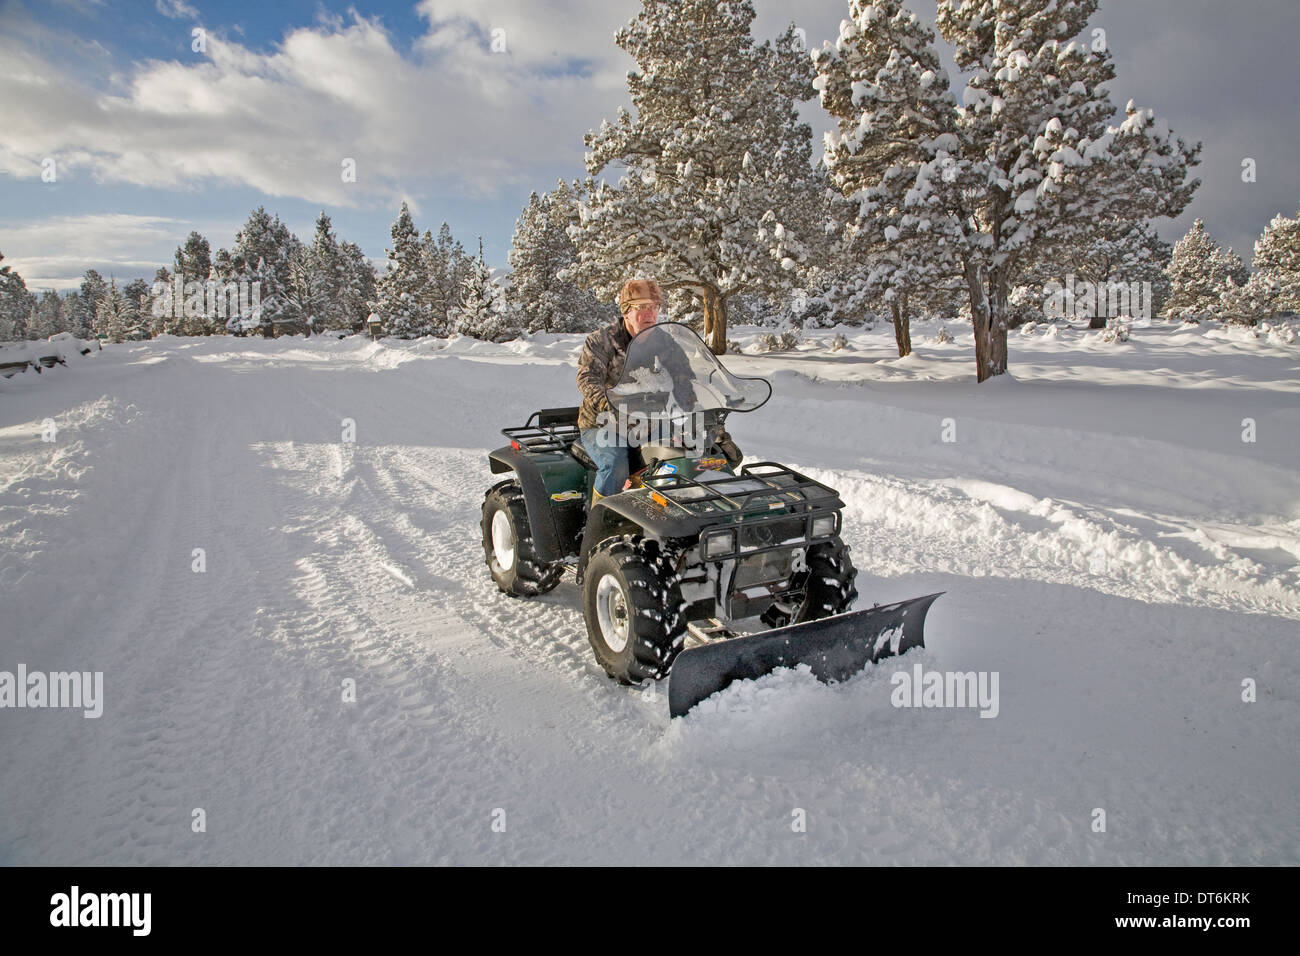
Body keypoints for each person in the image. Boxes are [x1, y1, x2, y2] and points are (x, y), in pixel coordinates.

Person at [577, 278, 663, 499]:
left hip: (649, 423)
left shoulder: (666, 344)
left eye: (654, 307)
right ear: (626, 312)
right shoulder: (601, 341)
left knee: (690, 455)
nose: (649, 314)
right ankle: (599, 526)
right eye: (641, 307)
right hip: (603, 423)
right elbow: (588, 378)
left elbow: (687, 381)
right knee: (615, 467)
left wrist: (711, 421)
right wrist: (609, 404)